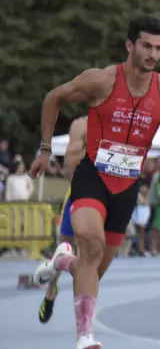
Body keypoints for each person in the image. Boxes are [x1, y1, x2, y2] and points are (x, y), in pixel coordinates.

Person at [28, 15, 160, 349]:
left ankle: (63, 261)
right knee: (92, 245)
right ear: (130, 45)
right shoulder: (100, 81)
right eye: (146, 46)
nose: (153, 54)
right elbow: (54, 98)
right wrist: (45, 150)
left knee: (92, 270)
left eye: (159, 48)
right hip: (93, 177)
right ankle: (85, 336)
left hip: (126, 188)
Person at [38, 117, 87, 324]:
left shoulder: (119, 127)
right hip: (77, 193)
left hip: (101, 199)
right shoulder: (82, 126)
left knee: (87, 257)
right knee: (63, 249)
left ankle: (84, 317)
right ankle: (51, 290)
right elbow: (68, 170)